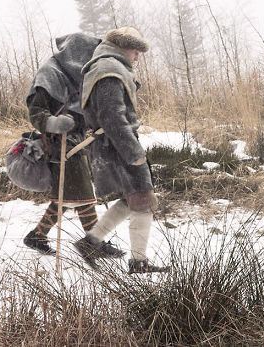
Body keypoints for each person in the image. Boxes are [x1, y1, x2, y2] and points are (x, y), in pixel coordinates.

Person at [23, 32, 125, 259]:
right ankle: (93, 242)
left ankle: (37, 235)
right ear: (77, 53)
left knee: (67, 196)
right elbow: (37, 112)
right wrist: (55, 123)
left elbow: (79, 111)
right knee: (84, 194)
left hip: (76, 144)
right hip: (58, 145)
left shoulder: (75, 76)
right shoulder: (49, 74)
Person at [75, 26, 167, 273]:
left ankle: (90, 243)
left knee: (132, 198)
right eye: (135, 50)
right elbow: (112, 117)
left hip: (111, 144)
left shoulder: (107, 67)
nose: (137, 56)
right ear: (122, 47)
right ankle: (138, 262)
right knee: (143, 198)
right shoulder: (109, 70)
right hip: (116, 145)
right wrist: (133, 152)